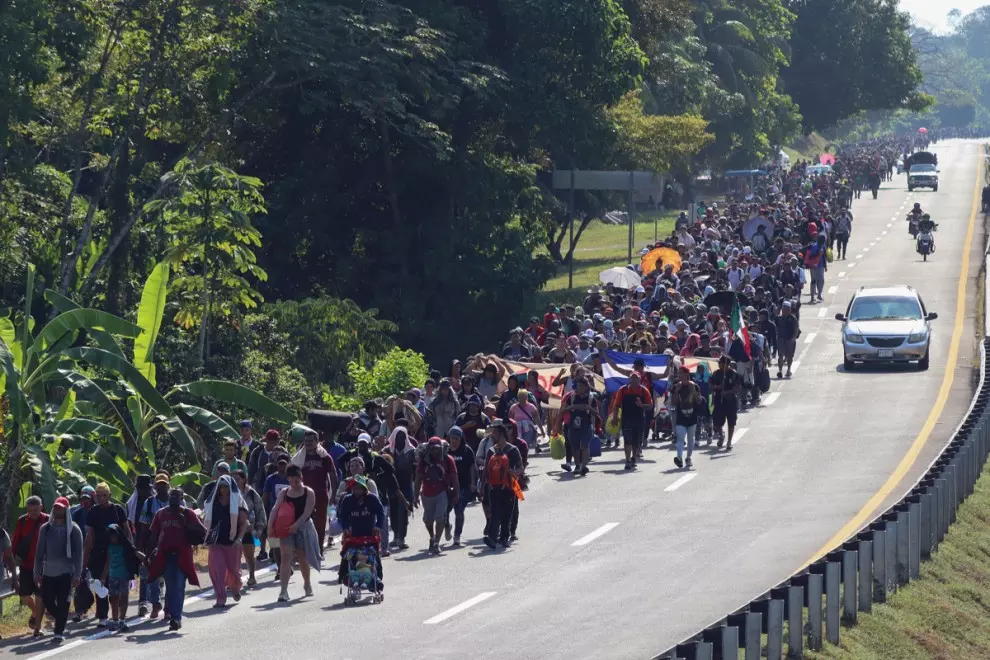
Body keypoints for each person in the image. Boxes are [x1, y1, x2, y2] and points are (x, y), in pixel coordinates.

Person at [148, 488, 207, 631]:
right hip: (166, 555)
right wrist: (150, 554)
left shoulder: (188, 514)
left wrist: (186, 524)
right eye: (171, 496)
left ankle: (176, 618)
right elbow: (153, 535)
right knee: (170, 585)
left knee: (179, 586)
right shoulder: (160, 514)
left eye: (177, 496)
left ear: (181, 498)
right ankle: (170, 611)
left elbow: (202, 532)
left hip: (183, 554)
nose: (173, 498)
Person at [268, 464, 322, 602]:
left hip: (303, 528)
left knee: (303, 558)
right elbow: (275, 509)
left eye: (296, 480)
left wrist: (296, 525)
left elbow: (307, 512)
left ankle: (307, 584)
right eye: (290, 481)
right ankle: (283, 591)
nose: (294, 484)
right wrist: (270, 526)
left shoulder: (308, 492)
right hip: (286, 529)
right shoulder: (284, 493)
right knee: (286, 557)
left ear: (301, 477)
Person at [33, 497, 84, 643]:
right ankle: (61, 618)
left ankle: (58, 631)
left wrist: (77, 575)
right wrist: (37, 573)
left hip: (66, 572)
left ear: (66, 510)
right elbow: (39, 553)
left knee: (64, 602)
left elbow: (78, 554)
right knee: (48, 600)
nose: (57, 510)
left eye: (60, 507)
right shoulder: (46, 528)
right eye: (56, 507)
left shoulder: (74, 529)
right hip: (48, 571)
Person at [203, 474, 248, 608]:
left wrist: (239, 538)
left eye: (226, 486)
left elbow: (244, 522)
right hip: (216, 543)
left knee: (234, 570)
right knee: (218, 569)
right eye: (221, 486)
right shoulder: (212, 503)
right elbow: (206, 521)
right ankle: (220, 598)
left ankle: (235, 587)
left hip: (232, 542)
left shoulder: (238, 501)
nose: (223, 489)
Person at [291, 427, 338, 552]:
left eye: (311, 441)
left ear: (317, 441)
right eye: (306, 441)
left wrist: (333, 494)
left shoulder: (324, 457)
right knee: (303, 521)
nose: (308, 443)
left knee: (320, 523)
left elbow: (333, 474)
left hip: (321, 494)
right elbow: (292, 474)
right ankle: (303, 548)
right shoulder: (299, 457)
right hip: (303, 495)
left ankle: (318, 549)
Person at [336, 475, 386, 588]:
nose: (356, 490)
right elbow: (342, 515)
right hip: (353, 536)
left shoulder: (372, 498)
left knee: (374, 557)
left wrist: (378, 526)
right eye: (353, 488)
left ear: (364, 489)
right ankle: (345, 576)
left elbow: (381, 512)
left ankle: (376, 579)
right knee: (347, 556)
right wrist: (346, 527)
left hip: (370, 535)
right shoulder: (347, 500)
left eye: (359, 488)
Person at [480, 421, 523, 549]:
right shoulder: (491, 451)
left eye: (495, 433)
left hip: (509, 487)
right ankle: (492, 538)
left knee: (507, 513)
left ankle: (505, 537)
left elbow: (520, 468)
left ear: (502, 434)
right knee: (494, 513)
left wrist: (512, 472)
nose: (492, 435)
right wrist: (482, 487)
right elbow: (486, 471)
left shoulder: (513, 450)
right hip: (494, 487)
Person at [10, 495, 48, 636]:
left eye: (35, 510)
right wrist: (11, 560)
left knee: (39, 596)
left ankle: (37, 628)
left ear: (41, 508)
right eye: (30, 510)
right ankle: (35, 612)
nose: (32, 513)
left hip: (43, 565)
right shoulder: (22, 521)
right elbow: (15, 542)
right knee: (24, 594)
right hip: (26, 564)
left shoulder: (47, 520)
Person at [413, 437, 459, 554]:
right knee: (428, 520)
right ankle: (432, 537)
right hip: (427, 493)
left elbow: (454, 478)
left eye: (437, 449)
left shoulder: (448, 459)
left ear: (441, 448)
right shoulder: (423, 461)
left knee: (440, 518)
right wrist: (415, 497)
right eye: (432, 449)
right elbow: (418, 479)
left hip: (442, 492)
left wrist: (456, 494)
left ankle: (436, 543)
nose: (435, 451)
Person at [136, 474, 170, 618]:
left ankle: (169, 607)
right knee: (152, 576)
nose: (161, 487)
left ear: (168, 486)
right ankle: (155, 604)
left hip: (172, 545)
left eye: (164, 484)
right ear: (155, 487)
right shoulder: (149, 503)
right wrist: (141, 547)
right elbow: (144, 527)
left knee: (171, 577)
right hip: (154, 545)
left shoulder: (177, 501)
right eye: (159, 485)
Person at [102, 523, 142, 631]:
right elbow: (107, 562)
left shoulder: (125, 546)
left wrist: (146, 559)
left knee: (124, 598)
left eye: (114, 536)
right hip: (112, 577)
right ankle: (115, 620)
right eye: (110, 536)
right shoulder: (109, 547)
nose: (112, 538)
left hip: (124, 576)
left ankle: (122, 620)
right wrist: (103, 578)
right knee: (114, 599)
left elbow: (135, 553)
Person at [609, 372, 653, 470]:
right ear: (629, 379)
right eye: (632, 378)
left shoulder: (643, 390)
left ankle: (633, 458)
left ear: (639, 379)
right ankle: (628, 460)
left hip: (639, 419)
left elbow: (650, 405)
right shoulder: (623, 390)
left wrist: (642, 405)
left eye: (636, 378)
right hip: (626, 418)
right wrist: (615, 417)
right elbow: (616, 405)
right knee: (627, 440)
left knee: (637, 442)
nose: (634, 380)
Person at [233, 469, 267, 587]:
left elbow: (260, 510)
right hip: (233, 529)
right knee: (232, 556)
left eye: (238, 479)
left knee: (249, 555)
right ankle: (233, 579)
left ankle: (252, 576)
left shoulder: (252, 493)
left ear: (243, 479)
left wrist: (259, 528)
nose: (235, 482)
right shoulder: (229, 493)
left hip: (248, 529)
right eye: (233, 479)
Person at [383, 428, 415, 550]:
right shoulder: (387, 450)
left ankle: (402, 538)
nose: (400, 439)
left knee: (403, 511)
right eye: (398, 437)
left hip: (406, 485)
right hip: (392, 485)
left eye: (403, 437)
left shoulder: (411, 451)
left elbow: (416, 469)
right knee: (393, 512)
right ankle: (395, 536)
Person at [561, 377, 598, 476]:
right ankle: (577, 465)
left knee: (585, 445)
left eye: (581, 386)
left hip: (586, 425)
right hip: (573, 425)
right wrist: (572, 407)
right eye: (577, 386)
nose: (579, 388)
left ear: (586, 387)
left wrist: (588, 408)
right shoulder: (572, 397)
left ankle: (584, 466)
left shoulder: (590, 398)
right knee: (575, 447)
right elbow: (564, 410)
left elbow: (596, 412)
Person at [446, 427, 476, 547]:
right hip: (448, 486)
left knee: (459, 510)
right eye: (452, 438)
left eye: (456, 439)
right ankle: (446, 525)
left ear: (461, 439)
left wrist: (473, 483)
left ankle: (457, 535)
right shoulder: (446, 450)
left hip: (464, 485)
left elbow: (472, 467)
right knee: (444, 511)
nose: (454, 441)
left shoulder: (466, 450)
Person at [69, 487, 95, 623]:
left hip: (96, 552)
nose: (85, 501)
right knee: (80, 581)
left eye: (88, 498)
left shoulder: (98, 511)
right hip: (80, 552)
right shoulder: (76, 513)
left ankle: (102, 610)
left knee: (97, 581)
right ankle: (79, 611)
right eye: (83, 498)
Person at [671, 366, 702, 469]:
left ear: (686, 374)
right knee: (680, 438)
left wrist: (693, 391)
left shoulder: (695, 386)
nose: (678, 375)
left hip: (692, 417)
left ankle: (688, 458)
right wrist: (676, 391)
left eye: (680, 373)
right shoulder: (676, 386)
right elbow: (673, 403)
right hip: (681, 416)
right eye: (678, 373)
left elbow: (699, 401)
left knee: (690, 439)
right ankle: (679, 458)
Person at [710, 356, 742, 450]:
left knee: (731, 422)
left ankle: (729, 442)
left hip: (731, 401)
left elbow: (738, 389)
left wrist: (728, 392)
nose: (719, 364)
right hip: (719, 400)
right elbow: (711, 386)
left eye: (721, 363)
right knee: (717, 423)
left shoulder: (734, 374)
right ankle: (721, 434)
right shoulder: (716, 374)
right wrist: (719, 387)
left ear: (726, 364)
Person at [775, 301, 800, 379]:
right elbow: (775, 328)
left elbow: (796, 329)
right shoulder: (778, 318)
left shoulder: (793, 319)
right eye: (784, 308)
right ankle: (780, 370)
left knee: (789, 356)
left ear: (789, 310)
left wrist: (793, 338)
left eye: (787, 309)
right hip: (781, 339)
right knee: (780, 355)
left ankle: (788, 369)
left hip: (790, 339)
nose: (785, 310)